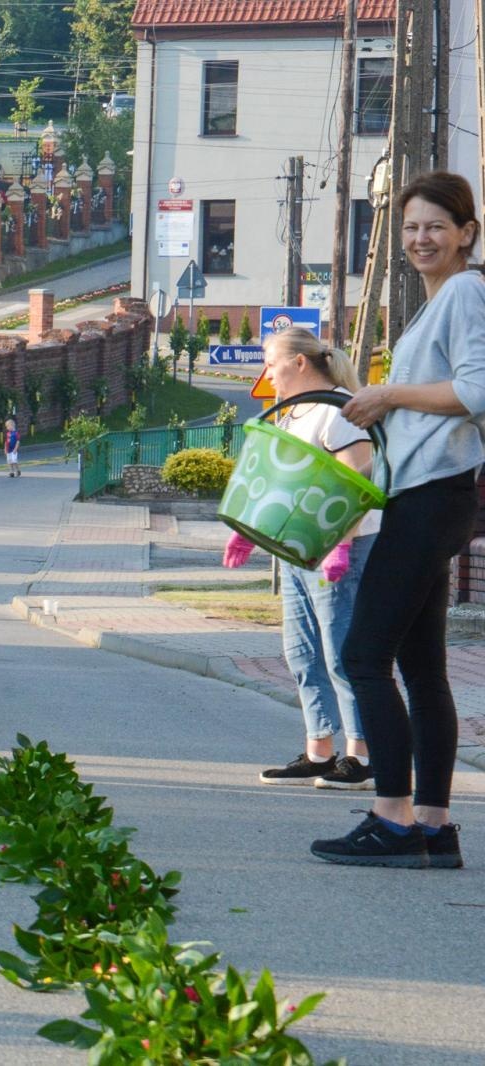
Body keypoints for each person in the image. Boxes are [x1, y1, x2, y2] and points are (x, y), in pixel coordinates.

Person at [316, 171, 485, 869]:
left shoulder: (469, 291)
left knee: (363, 654)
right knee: (420, 665)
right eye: (411, 226)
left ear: (467, 234)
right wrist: (370, 393)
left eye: (436, 226)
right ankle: (435, 827)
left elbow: (476, 390)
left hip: (433, 494)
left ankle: (392, 816)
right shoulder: (439, 299)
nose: (420, 238)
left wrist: (387, 393)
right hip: (432, 493)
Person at [224, 327, 377, 790]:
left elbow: (360, 477)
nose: (266, 373)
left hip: (337, 551)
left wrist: (342, 542)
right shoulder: (294, 413)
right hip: (298, 548)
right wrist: (249, 533)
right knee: (302, 651)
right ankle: (319, 750)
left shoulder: (341, 409)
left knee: (341, 651)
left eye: (271, 363)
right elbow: (280, 479)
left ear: (300, 363)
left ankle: (361, 755)